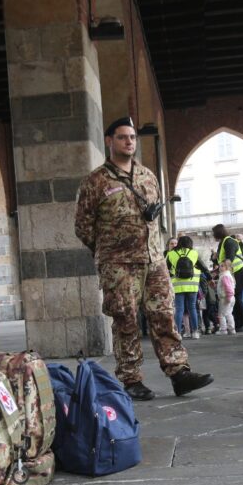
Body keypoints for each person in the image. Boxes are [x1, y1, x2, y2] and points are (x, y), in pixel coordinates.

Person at [75, 116, 213, 401]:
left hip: (154, 261)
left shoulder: (148, 177)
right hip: (119, 265)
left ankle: (179, 373)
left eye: (133, 137)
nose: (129, 142)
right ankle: (131, 378)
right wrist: (109, 253)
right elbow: (83, 226)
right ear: (109, 141)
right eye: (123, 137)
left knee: (164, 315)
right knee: (125, 320)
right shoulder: (96, 181)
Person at [166, 235, 207, 339]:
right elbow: (203, 267)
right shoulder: (194, 253)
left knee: (179, 309)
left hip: (177, 285)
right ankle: (195, 332)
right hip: (192, 285)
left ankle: (178, 333)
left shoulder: (171, 254)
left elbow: (165, 270)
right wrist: (210, 279)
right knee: (192, 308)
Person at [212, 224, 243, 331]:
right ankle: (237, 323)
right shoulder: (223, 242)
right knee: (235, 300)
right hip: (234, 273)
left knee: (238, 299)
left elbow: (229, 258)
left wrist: (221, 271)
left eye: (214, 233)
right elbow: (222, 260)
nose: (213, 235)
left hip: (239, 273)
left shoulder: (229, 241)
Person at [216, 261, 237, 335]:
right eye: (220, 266)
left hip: (225, 298)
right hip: (231, 298)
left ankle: (223, 330)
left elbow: (228, 288)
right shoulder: (229, 275)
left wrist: (228, 297)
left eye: (222, 266)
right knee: (229, 313)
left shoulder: (224, 276)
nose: (220, 267)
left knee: (221, 315)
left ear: (227, 267)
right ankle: (232, 329)